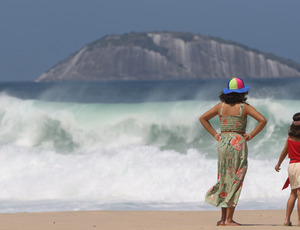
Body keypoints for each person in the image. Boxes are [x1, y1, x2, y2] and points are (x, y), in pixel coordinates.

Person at [199, 77, 267, 226]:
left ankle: (223, 219)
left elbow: (203, 118)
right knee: (236, 179)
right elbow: (263, 120)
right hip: (238, 143)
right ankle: (229, 220)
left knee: (224, 178)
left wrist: (215, 134)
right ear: (242, 93)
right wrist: (251, 135)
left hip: (223, 143)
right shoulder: (244, 107)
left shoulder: (220, 107)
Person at [275, 113, 300, 226]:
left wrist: (278, 164)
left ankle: (286, 220)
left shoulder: (290, 137)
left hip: (291, 166)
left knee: (293, 194)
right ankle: (299, 221)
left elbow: (284, 152)